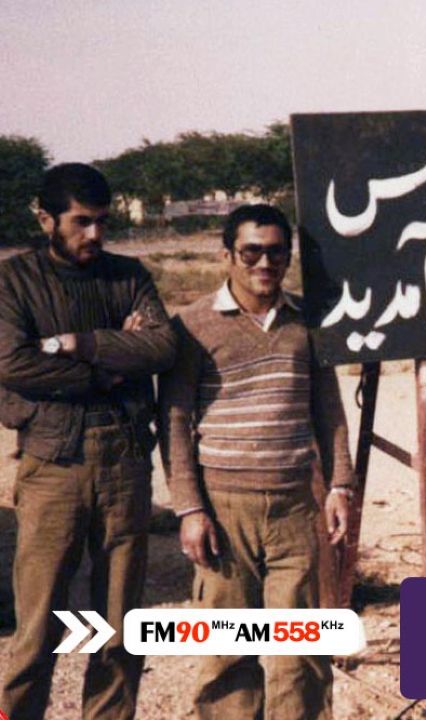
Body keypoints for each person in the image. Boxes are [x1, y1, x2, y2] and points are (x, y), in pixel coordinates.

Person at [158, 203, 355, 720]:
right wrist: (189, 509)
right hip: (224, 510)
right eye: (251, 252)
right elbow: (174, 422)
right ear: (227, 255)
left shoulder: (307, 322)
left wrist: (339, 485)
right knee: (228, 653)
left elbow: (328, 408)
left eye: (276, 253)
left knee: (301, 654)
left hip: (296, 507)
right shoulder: (192, 326)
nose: (265, 263)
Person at [0, 163, 177, 720]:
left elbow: (161, 347)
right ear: (45, 219)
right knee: (38, 626)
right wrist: (107, 366)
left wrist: (75, 343)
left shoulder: (128, 275)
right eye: (81, 222)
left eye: (102, 221)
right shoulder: (13, 281)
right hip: (53, 464)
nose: (95, 234)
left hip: (126, 461)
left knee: (119, 626)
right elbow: (12, 363)